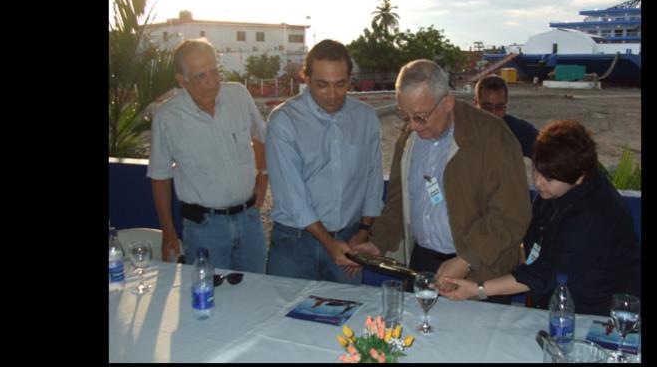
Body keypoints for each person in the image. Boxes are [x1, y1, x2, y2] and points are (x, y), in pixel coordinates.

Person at [356, 59, 532, 304]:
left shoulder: (493, 136)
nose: (413, 126)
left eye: (420, 117)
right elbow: (399, 200)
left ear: (447, 103)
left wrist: (467, 259)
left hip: (480, 269)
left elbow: (512, 214)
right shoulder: (409, 139)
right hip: (423, 264)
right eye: (405, 115)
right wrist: (378, 242)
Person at [440, 120, 641, 315]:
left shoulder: (592, 216)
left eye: (549, 178)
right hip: (555, 299)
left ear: (580, 177)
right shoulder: (558, 188)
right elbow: (531, 236)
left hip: (598, 310)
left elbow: (544, 275)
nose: (538, 182)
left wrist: (478, 289)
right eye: (536, 170)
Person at [264, 39, 384, 284]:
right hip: (294, 243)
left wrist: (363, 231)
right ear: (306, 78)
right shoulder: (284, 121)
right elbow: (292, 196)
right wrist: (329, 243)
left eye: (340, 84)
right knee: (284, 309)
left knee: (348, 308)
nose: (332, 95)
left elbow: (372, 180)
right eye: (322, 85)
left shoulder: (366, 118)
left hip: (350, 240)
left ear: (350, 79)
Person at [147, 38, 269, 272]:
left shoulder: (238, 95)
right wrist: (168, 231)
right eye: (200, 75)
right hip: (204, 229)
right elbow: (160, 176)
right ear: (182, 80)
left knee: (257, 288)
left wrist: (263, 176)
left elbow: (260, 135)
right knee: (209, 291)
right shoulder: (168, 118)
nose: (211, 82)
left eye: (214, 71)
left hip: (249, 222)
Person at [474, 74, 538, 158]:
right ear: (475, 103)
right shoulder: (462, 133)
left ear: (506, 104)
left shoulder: (523, 133)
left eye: (499, 107)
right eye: (487, 107)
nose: (493, 113)